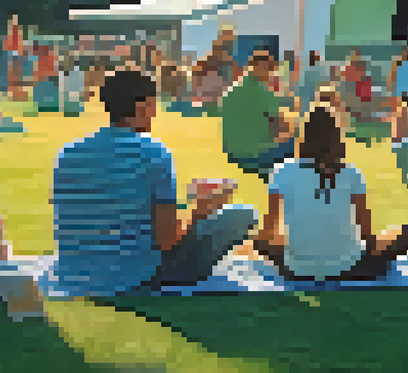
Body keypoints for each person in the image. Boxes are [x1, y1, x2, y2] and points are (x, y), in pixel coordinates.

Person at [50, 69, 259, 296]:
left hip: (74, 272)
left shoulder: (68, 153)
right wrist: (199, 211)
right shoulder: (153, 152)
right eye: (154, 105)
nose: (156, 113)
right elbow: (169, 240)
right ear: (142, 107)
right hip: (137, 276)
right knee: (243, 214)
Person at [254, 107, 408, 280]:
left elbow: (268, 232)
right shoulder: (352, 173)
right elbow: (367, 235)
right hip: (350, 266)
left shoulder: (283, 171)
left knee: (261, 240)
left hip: (297, 269)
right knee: (405, 233)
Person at [220, 50, 296, 181]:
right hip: (256, 155)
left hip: (232, 154)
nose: (270, 73)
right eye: (269, 69)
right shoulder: (262, 92)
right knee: (293, 141)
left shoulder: (232, 90)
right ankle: (285, 179)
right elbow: (281, 123)